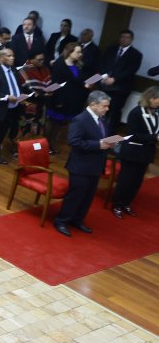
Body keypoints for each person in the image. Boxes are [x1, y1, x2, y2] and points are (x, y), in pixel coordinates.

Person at [55, 91, 116, 236]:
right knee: (75, 195)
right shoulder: (80, 119)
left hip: (95, 165)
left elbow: (101, 137)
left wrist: (109, 142)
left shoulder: (102, 119)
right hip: (81, 166)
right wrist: (98, 145)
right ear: (93, 104)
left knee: (88, 196)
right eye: (104, 106)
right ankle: (62, 221)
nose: (107, 109)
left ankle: (77, 219)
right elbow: (74, 141)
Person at [111, 86, 159, 219]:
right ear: (151, 98)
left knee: (137, 181)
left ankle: (126, 203)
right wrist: (154, 138)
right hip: (133, 152)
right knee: (126, 180)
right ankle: (117, 204)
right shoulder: (136, 113)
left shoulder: (155, 113)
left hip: (146, 153)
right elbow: (132, 134)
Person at [0, 48, 27, 167]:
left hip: (11, 109)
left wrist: (21, 95)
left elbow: (16, 86)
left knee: (1, 134)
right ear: (2, 58)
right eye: (9, 55)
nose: (12, 58)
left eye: (13, 55)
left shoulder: (13, 70)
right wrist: (6, 96)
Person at [46, 43, 88, 154]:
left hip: (73, 100)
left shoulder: (78, 65)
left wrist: (87, 84)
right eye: (78, 52)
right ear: (70, 52)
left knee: (60, 123)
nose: (80, 54)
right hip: (59, 98)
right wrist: (58, 100)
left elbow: (80, 80)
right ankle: (46, 143)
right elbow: (55, 83)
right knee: (52, 121)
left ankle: (53, 142)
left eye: (80, 52)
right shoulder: (59, 64)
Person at [99, 30, 143, 132]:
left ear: (131, 39)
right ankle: (99, 129)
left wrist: (114, 79)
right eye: (122, 37)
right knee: (102, 108)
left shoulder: (136, 54)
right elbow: (102, 63)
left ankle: (111, 134)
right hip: (105, 84)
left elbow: (130, 71)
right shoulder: (111, 49)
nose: (124, 39)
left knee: (114, 110)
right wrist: (105, 76)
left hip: (121, 88)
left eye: (127, 37)